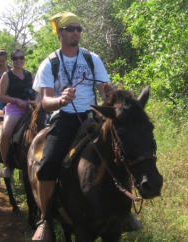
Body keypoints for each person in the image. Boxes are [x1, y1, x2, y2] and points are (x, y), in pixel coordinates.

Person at [31, 11, 138, 240]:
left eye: (79, 28)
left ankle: (124, 212)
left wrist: (109, 93)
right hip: (64, 118)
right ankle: (45, 219)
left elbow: (104, 89)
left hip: (91, 115)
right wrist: (60, 100)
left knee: (121, 152)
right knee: (48, 164)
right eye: (71, 29)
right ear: (60, 33)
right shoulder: (50, 63)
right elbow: (46, 102)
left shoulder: (91, 58)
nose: (76, 32)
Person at [0, 49, 34, 178]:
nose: (19, 60)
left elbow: (36, 92)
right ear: (11, 61)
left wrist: (34, 101)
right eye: (15, 58)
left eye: (21, 58)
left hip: (30, 108)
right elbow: (1, 96)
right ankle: (7, 164)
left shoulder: (29, 75)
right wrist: (16, 100)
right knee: (6, 132)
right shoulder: (7, 76)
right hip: (14, 108)